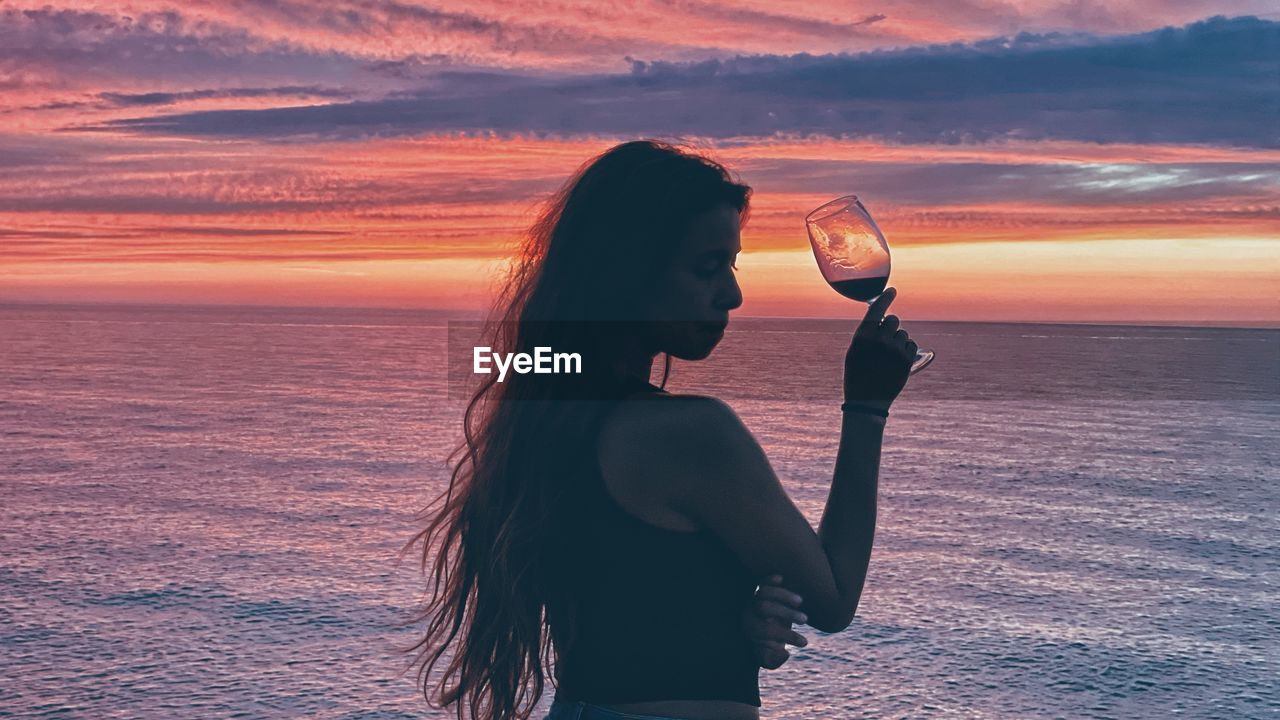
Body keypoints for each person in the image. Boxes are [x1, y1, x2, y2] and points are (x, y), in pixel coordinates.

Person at [408, 140, 917, 720]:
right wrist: (869, 406)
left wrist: (733, 626)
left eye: (732, 264)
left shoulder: (546, 415)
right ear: (627, 272)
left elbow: (622, 608)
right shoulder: (687, 434)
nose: (733, 293)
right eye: (707, 268)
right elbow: (832, 600)